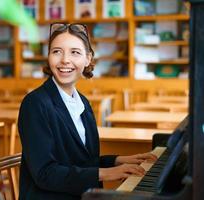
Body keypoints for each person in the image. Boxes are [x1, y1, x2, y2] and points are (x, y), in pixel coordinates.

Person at [18, 22, 157, 200]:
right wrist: (108, 173)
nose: (65, 60)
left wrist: (119, 160)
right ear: (49, 57)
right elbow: (46, 173)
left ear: (88, 59)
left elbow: (82, 162)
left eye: (74, 52)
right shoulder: (35, 104)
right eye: (56, 51)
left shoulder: (83, 102)